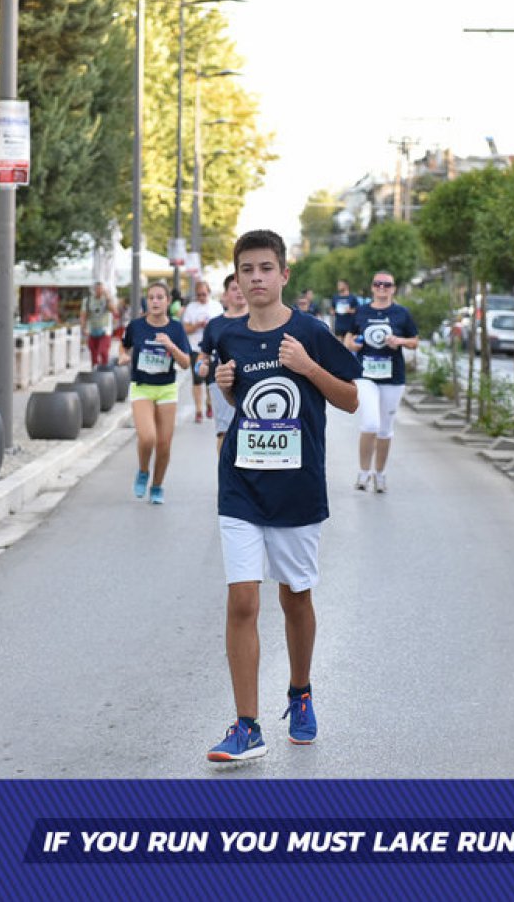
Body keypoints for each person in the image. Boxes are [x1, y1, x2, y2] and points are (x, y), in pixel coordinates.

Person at [207, 229, 360, 762]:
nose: (256, 278)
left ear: (284, 274)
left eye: (265, 268)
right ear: (236, 278)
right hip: (241, 485)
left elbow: (350, 399)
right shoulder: (228, 337)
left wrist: (308, 367)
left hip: (297, 488)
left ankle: (300, 692)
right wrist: (227, 389)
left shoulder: (310, 332)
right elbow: (246, 405)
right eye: (246, 269)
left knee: (295, 597)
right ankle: (246, 726)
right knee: (242, 600)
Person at [344, 272, 419, 494]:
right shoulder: (362, 311)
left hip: (393, 378)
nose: (382, 288)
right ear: (372, 287)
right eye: (378, 284)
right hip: (365, 376)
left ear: (393, 288)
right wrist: (352, 345)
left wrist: (399, 341)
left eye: (387, 284)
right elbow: (348, 337)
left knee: (385, 429)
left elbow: (415, 341)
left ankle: (380, 474)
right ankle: (363, 473)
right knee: (370, 424)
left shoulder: (402, 313)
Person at [119, 281, 191, 505]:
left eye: (160, 297)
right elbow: (124, 345)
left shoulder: (176, 329)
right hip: (142, 386)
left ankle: (157, 485)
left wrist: (171, 346)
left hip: (166, 388)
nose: (155, 302)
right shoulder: (136, 326)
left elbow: (186, 363)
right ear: (147, 301)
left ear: (168, 302)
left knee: (164, 444)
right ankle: (143, 471)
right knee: (148, 437)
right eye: (151, 298)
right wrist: (123, 355)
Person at [195, 272, 247, 451]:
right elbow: (203, 355)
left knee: (250, 431)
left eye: (242, 288)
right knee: (225, 432)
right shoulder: (214, 325)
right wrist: (200, 366)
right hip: (222, 383)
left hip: (252, 381)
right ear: (225, 295)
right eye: (234, 288)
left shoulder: (259, 320)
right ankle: (225, 469)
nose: (239, 292)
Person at [180, 278, 224, 423]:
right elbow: (185, 328)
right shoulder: (191, 308)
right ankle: (199, 410)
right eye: (198, 295)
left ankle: (209, 404)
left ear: (209, 293)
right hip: (196, 349)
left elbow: (222, 327)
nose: (201, 297)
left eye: (204, 294)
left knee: (211, 380)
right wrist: (197, 325)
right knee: (197, 379)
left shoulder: (216, 306)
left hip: (213, 349)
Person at [80, 280, 118, 368]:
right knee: (93, 354)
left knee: (103, 351)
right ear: (94, 290)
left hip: (105, 331)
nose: (99, 291)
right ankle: (95, 371)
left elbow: (114, 311)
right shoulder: (87, 300)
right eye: (97, 289)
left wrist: (108, 297)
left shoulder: (106, 300)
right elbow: (83, 315)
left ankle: (105, 370)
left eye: (101, 289)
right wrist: (83, 327)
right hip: (92, 330)